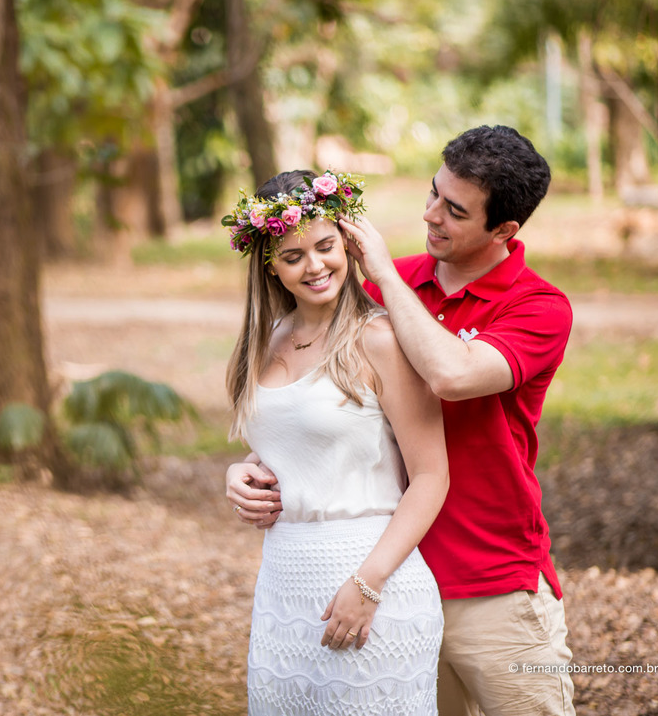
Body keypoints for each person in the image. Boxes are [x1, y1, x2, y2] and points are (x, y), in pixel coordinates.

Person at [227, 125, 576, 716]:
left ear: (504, 230)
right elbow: (334, 414)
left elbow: (452, 375)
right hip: (386, 575)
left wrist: (384, 276)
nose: (431, 215)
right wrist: (253, 468)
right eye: (433, 193)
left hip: (487, 580)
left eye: (455, 210)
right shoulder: (387, 282)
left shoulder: (536, 306)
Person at [222, 169, 449, 715]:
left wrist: (367, 586)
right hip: (283, 584)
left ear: (348, 243)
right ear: (271, 265)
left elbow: (431, 477)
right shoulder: (268, 339)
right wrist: (241, 473)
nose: (315, 265)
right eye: (293, 255)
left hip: (370, 577)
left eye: (326, 246)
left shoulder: (378, 339)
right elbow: (293, 442)